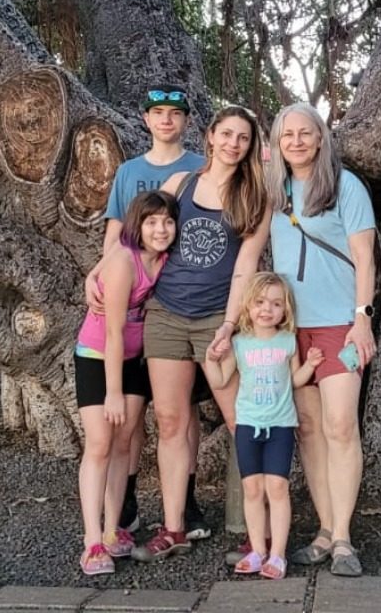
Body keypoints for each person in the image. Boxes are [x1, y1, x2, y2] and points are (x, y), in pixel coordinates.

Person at [129, 104, 268, 562]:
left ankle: (258, 532)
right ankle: (173, 527)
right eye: (226, 134)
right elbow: (148, 239)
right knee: (169, 422)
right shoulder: (180, 184)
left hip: (217, 318)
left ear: (250, 146)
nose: (233, 143)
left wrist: (229, 325)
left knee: (240, 421)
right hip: (167, 314)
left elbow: (245, 267)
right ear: (209, 136)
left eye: (242, 138)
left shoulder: (254, 197)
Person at [267, 102, 377, 577]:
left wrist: (363, 318)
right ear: (277, 143)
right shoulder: (275, 191)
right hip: (291, 327)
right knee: (309, 431)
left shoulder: (345, 187)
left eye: (304, 133)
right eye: (286, 134)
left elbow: (365, 258)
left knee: (340, 425)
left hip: (339, 324)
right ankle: (326, 531)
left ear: (320, 138)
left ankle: (346, 538)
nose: (295, 141)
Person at [95, 85, 210, 539]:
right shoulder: (128, 172)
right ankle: (125, 501)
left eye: (175, 113)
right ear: (145, 119)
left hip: (182, 302)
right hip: (135, 310)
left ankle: (188, 498)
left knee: (183, 411)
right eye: (158, 112)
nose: (166, 120)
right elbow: (115, 233)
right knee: (131, 409)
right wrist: (98, 274)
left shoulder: (199, 167)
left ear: (186, 121)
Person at [74, 190, 178, 576]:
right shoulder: (124, 262)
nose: (160, 229)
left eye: (167, 221)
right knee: (100, 444)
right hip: (99, 357)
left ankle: (112, 526)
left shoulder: (164, 258)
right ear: (138, 224)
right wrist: (113, 392)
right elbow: (114, 332)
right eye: (151, 222)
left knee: (123, 443)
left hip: (135, 358)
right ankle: (92, 540)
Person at [206, 273, 323, 579]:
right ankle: (257, 550)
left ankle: (278, 554)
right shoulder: (240, 343)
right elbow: (220, 380)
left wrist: (310, 365)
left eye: (275, 303)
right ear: (248, 306)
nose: (266, 310)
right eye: (259, 302)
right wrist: (210, 359)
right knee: (252, 489)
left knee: (278, 488)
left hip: (280, 426)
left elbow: (294, 380)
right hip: (248, 426)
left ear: (285, 310)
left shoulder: (288, 341)